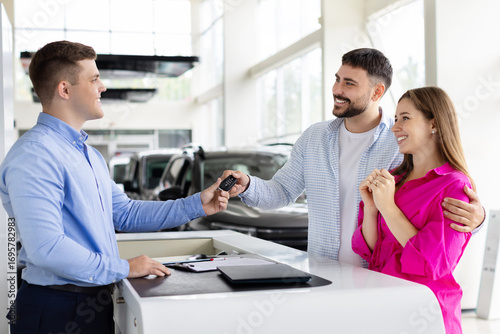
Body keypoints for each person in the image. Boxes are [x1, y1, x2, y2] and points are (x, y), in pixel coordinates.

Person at [0, 41, 229, 334]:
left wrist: (197, 203)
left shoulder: (89, 155)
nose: (103, 87)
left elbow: (125, 213)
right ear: (64, 90)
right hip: (54, 309)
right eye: (94, 79)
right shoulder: (35, 155)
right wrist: (125, 267)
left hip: (91, 302)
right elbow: (46, 248)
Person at [223, 48, 484, 265]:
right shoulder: (313, 137)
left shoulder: (401, 143)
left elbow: (432, 194)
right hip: (321, 272)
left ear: (377, 92)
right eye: (337, 79)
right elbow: (281, 191)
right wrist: (248, 184)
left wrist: (477, 219)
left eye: (349, 83)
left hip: (377, 276)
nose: (337, 90)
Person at [352, 87, 473, 333]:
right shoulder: (394, 180)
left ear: (434, 124)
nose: (395, 127)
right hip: (384, 309)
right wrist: (373, 209)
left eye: (405, 118)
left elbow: (434, 263)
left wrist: (388, 207)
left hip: (425, 314)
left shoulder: (455, 186)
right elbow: (373, 253)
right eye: (396, 119)